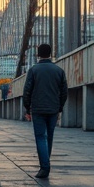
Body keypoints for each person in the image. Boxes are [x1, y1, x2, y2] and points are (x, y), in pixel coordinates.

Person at [21, 43, 68, 179]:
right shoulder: (59, 71)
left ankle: (45, 167)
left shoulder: (33, 70)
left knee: (41, 137)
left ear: (38, 54)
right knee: (50, 137)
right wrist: (59, 107)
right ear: (50, 53)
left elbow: (27, 91)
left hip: (38, 109)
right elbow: (64, 92)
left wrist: (27, 107)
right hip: (53, 109)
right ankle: (45, 164)